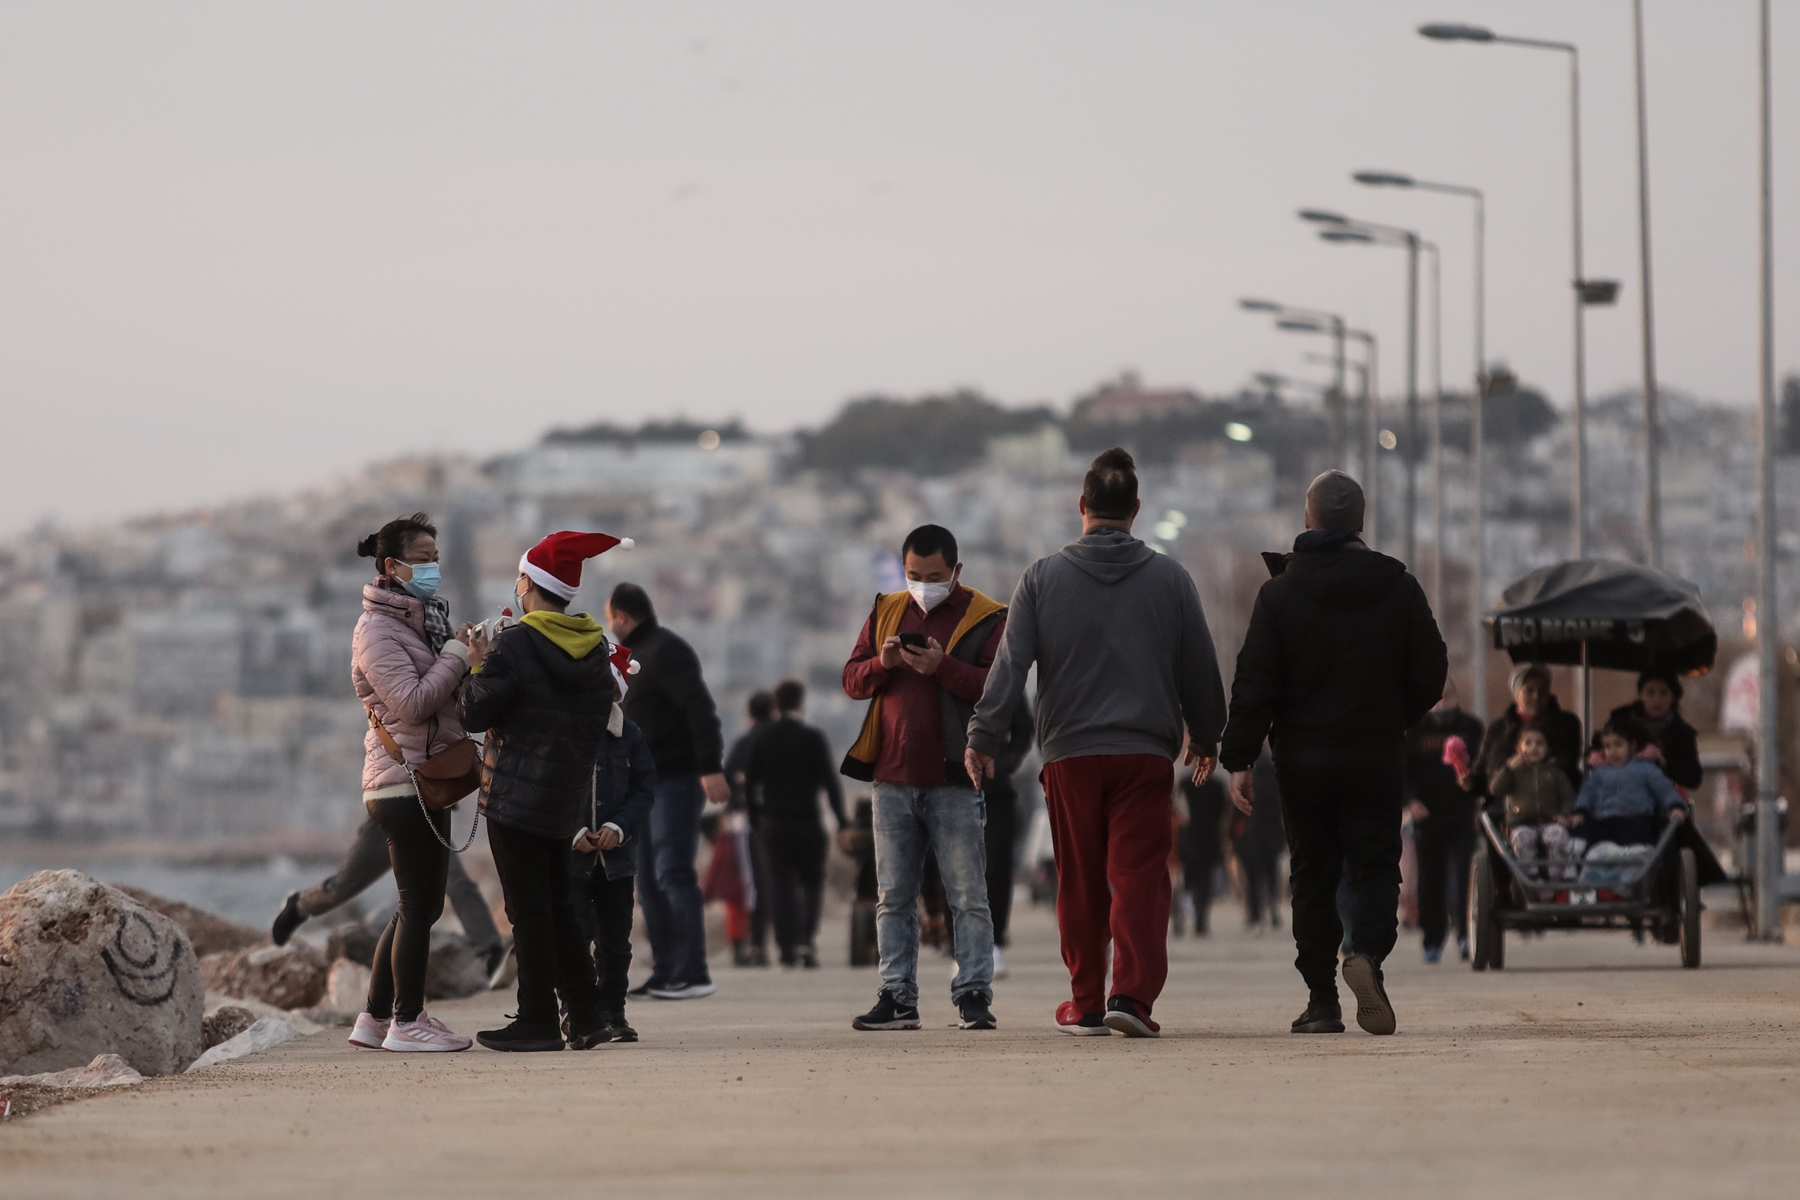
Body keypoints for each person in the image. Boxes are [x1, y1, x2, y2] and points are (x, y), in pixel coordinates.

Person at [967, 448, 1227, 1039]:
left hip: (1070, 755)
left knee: (1079, 879)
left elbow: (1010, 666)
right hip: (1144, 754)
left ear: (1081, 506)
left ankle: (1084, 1004)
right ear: (1136, 510)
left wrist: (983, 735)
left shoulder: (1040, 578)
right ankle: (1131, 999)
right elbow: (1200, 668)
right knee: (1139, 874)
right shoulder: (1171, 578)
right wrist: (1208, 734)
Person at [1219, 470, 1447, 1038]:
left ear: (1307, 520)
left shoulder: (1280, 594)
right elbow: (1432, 670)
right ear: (1361, 524)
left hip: (1303, 762)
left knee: (1312, 874)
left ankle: (1321, 999)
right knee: (1375, 866)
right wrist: (1395, 719)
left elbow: (1255, 682)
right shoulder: (1399, 587)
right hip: (1373, 755)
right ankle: (1366, 950)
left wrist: (1240, 759)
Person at [459, 530, 623, 1052]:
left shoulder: (515, 642)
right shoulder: (596, 648)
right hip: (564, 797)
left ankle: (536, 1020)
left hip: (514, 796)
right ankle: (587, 1013)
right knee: (558, 906)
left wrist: (476, 663)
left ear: (526, 582)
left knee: (528, 911)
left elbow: (473, 712)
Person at [842, 523, 1004, 1032]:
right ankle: (897, 995)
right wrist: (882, 664)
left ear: (956, 571)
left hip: (954, 777)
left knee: (967, 895)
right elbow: (851, 678)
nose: (923, 584)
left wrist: (943, 667)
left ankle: (974, 992)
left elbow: (996, 688)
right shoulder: (886, 609)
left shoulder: (985, 617)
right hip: (891, 777)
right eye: (914, 574)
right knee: (893, 897)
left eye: (934, 576)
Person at [345, 513, 479, 1053]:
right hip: (403, 782)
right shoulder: (376, 630)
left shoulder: (420, 622)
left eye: (435, 557)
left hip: (419, 778)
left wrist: (470, 658)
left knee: (413, 907)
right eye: (422, 559)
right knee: (421, 908)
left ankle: (375, 1019)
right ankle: (408, 1020)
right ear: (391, 566)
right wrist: (454, 658)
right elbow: (413, 702)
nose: (433, 568)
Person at [607, 582, 730, 1001]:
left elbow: (700, 709)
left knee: (673, 872)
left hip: (676, 780)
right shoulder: (633, 659)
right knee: (648, 879)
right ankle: (666, 971)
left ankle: (693, 970)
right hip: (642, 785)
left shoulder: (666, 650)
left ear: (621, 616)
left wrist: (711, 767)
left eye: (611, 618)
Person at [566, 649, 658, 1047]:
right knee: (576, 936)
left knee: (616, 941)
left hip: (617, 862)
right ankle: (575, 1009)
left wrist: (617, 828)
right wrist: (574, 833)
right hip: (574, 861)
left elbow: (643, 790)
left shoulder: (631, 735)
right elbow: (552, 791)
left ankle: (614, 1012)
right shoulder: (565, 733)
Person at [269, 818, 502, 973]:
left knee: (458, 883)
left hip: (427, 813)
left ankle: (490, 950)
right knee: (344, 886)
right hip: (389, 810)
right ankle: (300, 905)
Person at [743, 679, 846, 968]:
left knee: (780, 885)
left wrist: (755, 818)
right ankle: (806, 940)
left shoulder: (762, 738)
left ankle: (785, 947)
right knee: (812, 882)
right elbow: (830, 782)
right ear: (801, 704)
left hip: (774, 823)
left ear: (776, 705)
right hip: (808, 821)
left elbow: (750, 784)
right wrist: (842, 821)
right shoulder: (813, 737)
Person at [1404, 683, 1486, 963]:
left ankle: (1466, 935)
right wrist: (1411, 800)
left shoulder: (1471, 728)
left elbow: (1484, 765)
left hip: (1463, 814)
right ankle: (1433, 940)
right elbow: (1403, 771)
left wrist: (1479, 800)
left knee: (1466, 876)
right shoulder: (1415, 729)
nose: (1441, 703)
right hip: (1428, 816)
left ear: (1455, 696)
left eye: (1446, 696)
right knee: (1430, 880)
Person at [722, 690, 778, 966]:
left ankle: (755, 945)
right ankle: (790, 941)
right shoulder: (783, 738)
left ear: (750, 714)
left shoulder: (744, 742)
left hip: (747, 819)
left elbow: (728, 779)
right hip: (782, 816)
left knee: (751, 883)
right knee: (779, 879)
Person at [1471, 664, 1584, 795]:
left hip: (1552, 804)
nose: (1536, 696)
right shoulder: (1498, 728)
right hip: (1503, 806)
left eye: (1542, 690)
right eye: (1529, 690)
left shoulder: (1566, 724)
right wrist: (1469, 783)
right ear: (1516, 694)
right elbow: (1481, 774)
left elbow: (1569, 767)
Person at [1573, 717, 1687, 848]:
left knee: (1633, 831)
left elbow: (1664, 789)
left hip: (1636, 819)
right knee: (1583, 834)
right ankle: (1590, 862)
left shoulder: (1646, 768)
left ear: (1632, 746)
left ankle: (1632, 857)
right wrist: (1581, 812)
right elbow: (1587, 793)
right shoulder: (1599, 773)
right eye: (1607, 747)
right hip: (1604, 821)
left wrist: (1675, 806)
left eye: (1618, 745)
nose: (1613, 751)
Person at [983, 699, 1036, 977]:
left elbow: (1023, 727)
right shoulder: (940, 663)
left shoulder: (1000, 668)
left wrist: (1006, 762)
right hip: (950, 785)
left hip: (996, 787)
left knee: (998, 866)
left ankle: (994, 942)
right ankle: (961, 945)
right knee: (956, 867)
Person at [1489, 727, 1578, 867]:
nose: (1534, 747)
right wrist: (1508, 769)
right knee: (1521, 838)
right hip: (1521, 822)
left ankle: (1557, 875)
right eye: (1528, 743)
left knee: (1559, 835)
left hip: (1551, 821)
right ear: (1519, 748)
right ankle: (1530, 875)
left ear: (1548, 749)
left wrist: (1564, 815)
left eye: (1540, 743)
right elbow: (1495, 790)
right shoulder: (1514, 772)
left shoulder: (1555, 772)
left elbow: (1568, 797)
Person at [1606, 669, 1703, 791]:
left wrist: (1665, 764)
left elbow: (1693, 778)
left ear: (1673, 697)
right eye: (1650, 693)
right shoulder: (1619, 722)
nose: (1657, 700)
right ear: (1641, 695)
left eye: (1663, 693)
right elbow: (1598, 754)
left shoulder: (1681, 732)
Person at [1233, 753, 1285, 930]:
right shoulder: (1277, 786)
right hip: (1273, 838)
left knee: (1253, 879)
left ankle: (1255, 915)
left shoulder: (1247, 786)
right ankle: (1272, 905)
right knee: (1271, 876)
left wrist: (1234, 838)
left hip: (1251, 838)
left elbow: (1236, 812)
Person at [1178, 769, 1228, 937]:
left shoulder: (1186, 784)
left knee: (1188, 880)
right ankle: (1201, 918)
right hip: (1209, 839)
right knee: (1204, 881)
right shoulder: (1217, 787)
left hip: (1188, 838)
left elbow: (1178, 811)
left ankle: (1185, 915)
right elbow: (1223, 815)